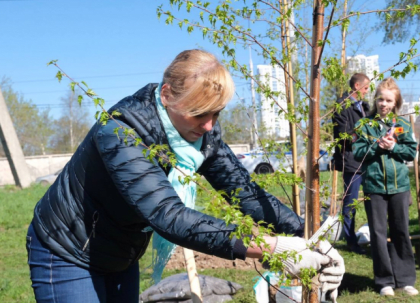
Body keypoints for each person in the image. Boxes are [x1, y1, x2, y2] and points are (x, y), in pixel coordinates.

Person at [26, 49, 344, 303]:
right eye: (199, 112)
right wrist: (273, 248)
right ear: (167, 95)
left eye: (216, 113)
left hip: (120, 251)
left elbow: (244, 192)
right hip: (66, 247)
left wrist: (308, 236)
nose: (209, 125)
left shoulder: (201, 133)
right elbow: (168, 215)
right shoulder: (122, 133)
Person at [353, 78, 418, 297]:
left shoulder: (403, 125)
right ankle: (384, 282)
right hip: (375, 187)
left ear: (396, 102)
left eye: (389, 100)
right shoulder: (364, 125)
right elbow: (358, 153)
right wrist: (377, 146)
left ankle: (406, 280)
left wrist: (394, 147)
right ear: (375, 100)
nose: (384, 104)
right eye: (380, 98)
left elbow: (410, 152)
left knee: (401, 232)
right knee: (378, 234)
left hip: (400, 187)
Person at [332, 73, 370, 254]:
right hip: (352, 161)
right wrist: (366, 136)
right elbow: (344, 135)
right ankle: (351, 241)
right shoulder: (342, 105)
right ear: (357, 86)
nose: (367, 92)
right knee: (350, 202)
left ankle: (374, 237)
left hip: (368, 161)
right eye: (365, 88)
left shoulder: (365, 106)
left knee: (372, 199)